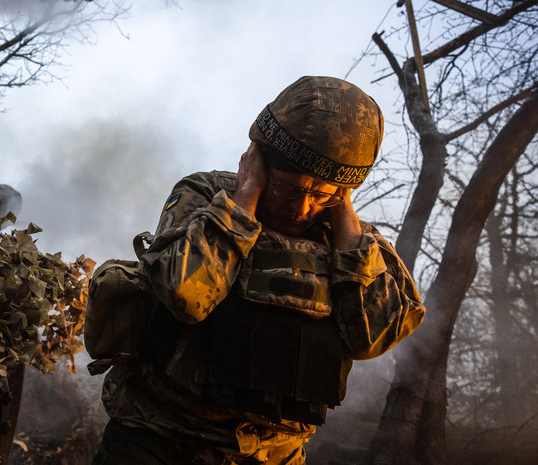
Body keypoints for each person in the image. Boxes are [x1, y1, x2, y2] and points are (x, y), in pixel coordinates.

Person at [91, 76, 426, 465]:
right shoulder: (207, 196)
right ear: (260, 158)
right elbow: (184, 296)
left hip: (270, 456)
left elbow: (371, 339)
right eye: (288, 187)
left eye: (322, 194)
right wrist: (243, 202)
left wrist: (348, 236)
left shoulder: (355, 243)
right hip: (156, 436)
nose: (301, 208)